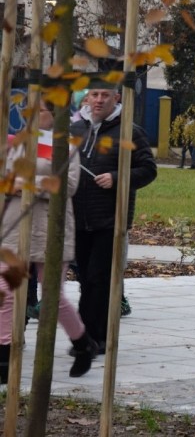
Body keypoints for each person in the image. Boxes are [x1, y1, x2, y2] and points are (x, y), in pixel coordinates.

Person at [1, 103, 97, 380]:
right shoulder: (16, 143)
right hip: (15, 225)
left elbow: (67, 184)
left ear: (54, 114)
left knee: (52, 296)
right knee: (5, 291)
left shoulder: (63, 146)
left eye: (40, 108)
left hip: (49, 227)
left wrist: (29, 184)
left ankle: (82, 344)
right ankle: (4, 356)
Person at [71, 80, 157, 354]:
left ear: (116, 97)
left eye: (104, 95)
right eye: (93, 95)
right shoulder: (77, 129)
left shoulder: (129, 131)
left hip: (110, 219)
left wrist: (118, 178)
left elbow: (148, 169)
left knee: (100, 279)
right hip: (78, 217)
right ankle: (87, 336)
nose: (98, 100)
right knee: (85, 278)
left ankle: (95, 338)